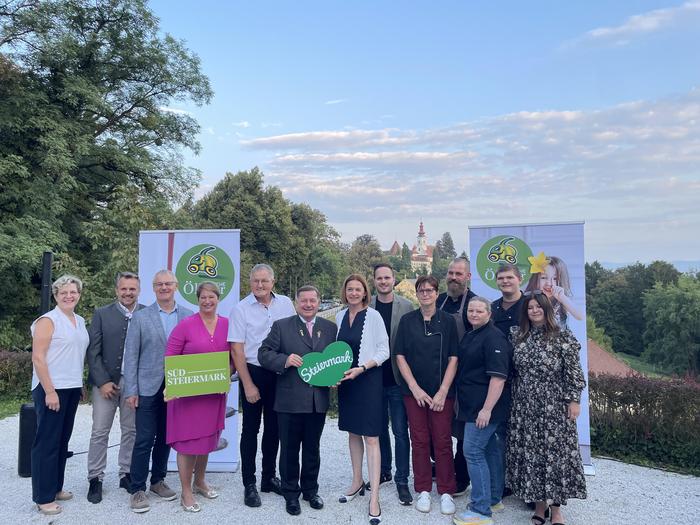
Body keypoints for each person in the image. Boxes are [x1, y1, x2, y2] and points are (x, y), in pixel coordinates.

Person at [506, 292, 587, 525]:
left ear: (547, 309)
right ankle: (540, 507)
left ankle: (558, 510)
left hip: (555, 407)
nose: (534, 310)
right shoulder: (518, 336)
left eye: (538, 307)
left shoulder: (562, 336)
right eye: (530, 307)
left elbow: (573, 372)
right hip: (525, 406)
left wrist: (574, 400)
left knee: (556, 457)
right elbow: (512, 372)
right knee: (533, 455)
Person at [258, 285, 337, 516]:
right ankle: (291, 493)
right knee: (290, 450)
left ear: (319, 301)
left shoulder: (330, 328)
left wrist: (334, 376)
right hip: (289, 401)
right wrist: (285, 359)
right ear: (296, 303)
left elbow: (336, 360)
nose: (309, 304)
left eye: (313, 300)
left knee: (313, 448)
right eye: (304, 301)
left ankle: (310, 491)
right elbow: (263, 354)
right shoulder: (282, 327)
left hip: (317, 400)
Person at [123, 270, 193, 513]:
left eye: (168, 284)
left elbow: (192, 353)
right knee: (143, 439)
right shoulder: (141, 317)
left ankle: (157, 481)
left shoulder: (188, 315)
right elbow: (130, 357)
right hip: (147, 387)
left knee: (166, 437)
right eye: (159, 284)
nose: (164, 287)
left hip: (177, 386)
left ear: (176, 286)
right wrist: (131, 390)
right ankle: (137, 488)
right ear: (153, 288)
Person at [228, 263, 296, 506]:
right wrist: (247, 385)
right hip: (254, 373)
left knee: (274, 429)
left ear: (273, 282)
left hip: (281, 373)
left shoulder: (286, 304)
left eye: (264, 281)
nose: (259, 285)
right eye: (255, 281)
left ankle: (269, 478)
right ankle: (249, 484)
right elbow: (236, 349)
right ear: (250, 282)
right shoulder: (240, 309)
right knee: (250, 430)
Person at [395, 275, 459, 516]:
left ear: (436, 292)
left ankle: (446, 492)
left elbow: (454, 357)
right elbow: (399, 356)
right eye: (421, 290)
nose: (425, 294)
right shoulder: (407, 320)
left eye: (430, 290)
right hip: (415, 393)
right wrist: (414, 388)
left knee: (442, 441)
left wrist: (443, 391)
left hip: (442, 392)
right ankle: (422, 488)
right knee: (419, 440)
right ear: (417, 293)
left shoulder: (449, 321)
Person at [164, 282, 229, 512]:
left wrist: (225, 376)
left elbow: (233, 358)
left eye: (212, 297)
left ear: (218, 298)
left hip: (213, 395)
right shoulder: (185, 325)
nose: (207, 301)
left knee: (207, 439)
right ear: (197, 299)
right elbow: (170, 356)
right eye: (203, 297)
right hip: (187, 396)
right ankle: (186, 491)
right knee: (188, 442)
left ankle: (200, 481)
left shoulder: (227, 325)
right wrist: (173, 384)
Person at [30, 275, 90, 516]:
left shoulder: (80, 320)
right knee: (47, 443)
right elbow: (38, 358)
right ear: (55, 295)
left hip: (71, 387)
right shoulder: (48, 321)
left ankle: (56, 487)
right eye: (63, 292)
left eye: (73, 292)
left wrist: (80, 383)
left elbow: (76, 355)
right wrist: (50, 390)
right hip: (50, 389)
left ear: (78, 294)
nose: (69, 296)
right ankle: (43, 497)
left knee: (62, 441)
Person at [336, 273, 390, 525]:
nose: (354, 293)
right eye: (350, 289)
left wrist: (363, 367)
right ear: (345, 292)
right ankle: (357, 482)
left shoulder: (374, 316)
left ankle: (375, 497)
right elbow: (335, 353)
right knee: (353, 433)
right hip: (347, 384)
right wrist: (333, 375)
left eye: (358, 289)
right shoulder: (339, 316)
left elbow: (384, 350)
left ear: (365, 292)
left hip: (368, 380)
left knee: (371, 437)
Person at [453, 297, 512, 525]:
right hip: (473, 406)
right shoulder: (473, 333)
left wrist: (486, 410)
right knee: (489, 451)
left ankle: (480, 510)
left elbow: (498, 378)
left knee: (473, 452)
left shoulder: (493, 337)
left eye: (479, 311)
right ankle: (493, 499)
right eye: (471, 310)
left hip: (485, 408)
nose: (474, 314)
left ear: (489, 313)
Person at [86, 271, 143, 503]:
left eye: (132, 289)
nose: (128, 293)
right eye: (124, 288)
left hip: (133, 383)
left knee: (131, 430)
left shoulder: (147, 313)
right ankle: (95, 478)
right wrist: (102, 381)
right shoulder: (102, 313)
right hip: (106, 382)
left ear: (138, 290)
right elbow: (93, 351)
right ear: (116, 290)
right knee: (100, 431)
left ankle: (126, 473)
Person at [369, 263, 415, 505]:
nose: (383, 281)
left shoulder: (406, 307)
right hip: (374, 380)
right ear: (374, 281)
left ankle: (402, 479)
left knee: (400, 431)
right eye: (379, 278)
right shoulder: (367, 307)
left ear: (394, 280)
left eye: (387, 277)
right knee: (377, 429)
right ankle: (384, 470)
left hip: (397, 380)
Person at [436, 257, 476, 496]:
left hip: (463, 378)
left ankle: (461, 476)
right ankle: (441, 466)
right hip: (437, 375)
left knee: (461, 430)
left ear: (468, 277)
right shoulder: (439, 301)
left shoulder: (473, 303)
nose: (453, 277)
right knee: (439, 426)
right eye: (450, 273)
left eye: (458, 274)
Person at [524, 255, 583, 329]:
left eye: (555, 278)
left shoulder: (561, 300)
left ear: (561, 280)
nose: (549, 283)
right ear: (535, 279)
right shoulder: (528, 299)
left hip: (559, 339)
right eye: (544, 278)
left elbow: (580, 316)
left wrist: (562, 298)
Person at [491, 264, 525, 337]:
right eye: (500, 278)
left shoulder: (530, 305)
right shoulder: (491, 307)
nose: (505, 281)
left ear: (520, 280)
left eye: (510, 277)